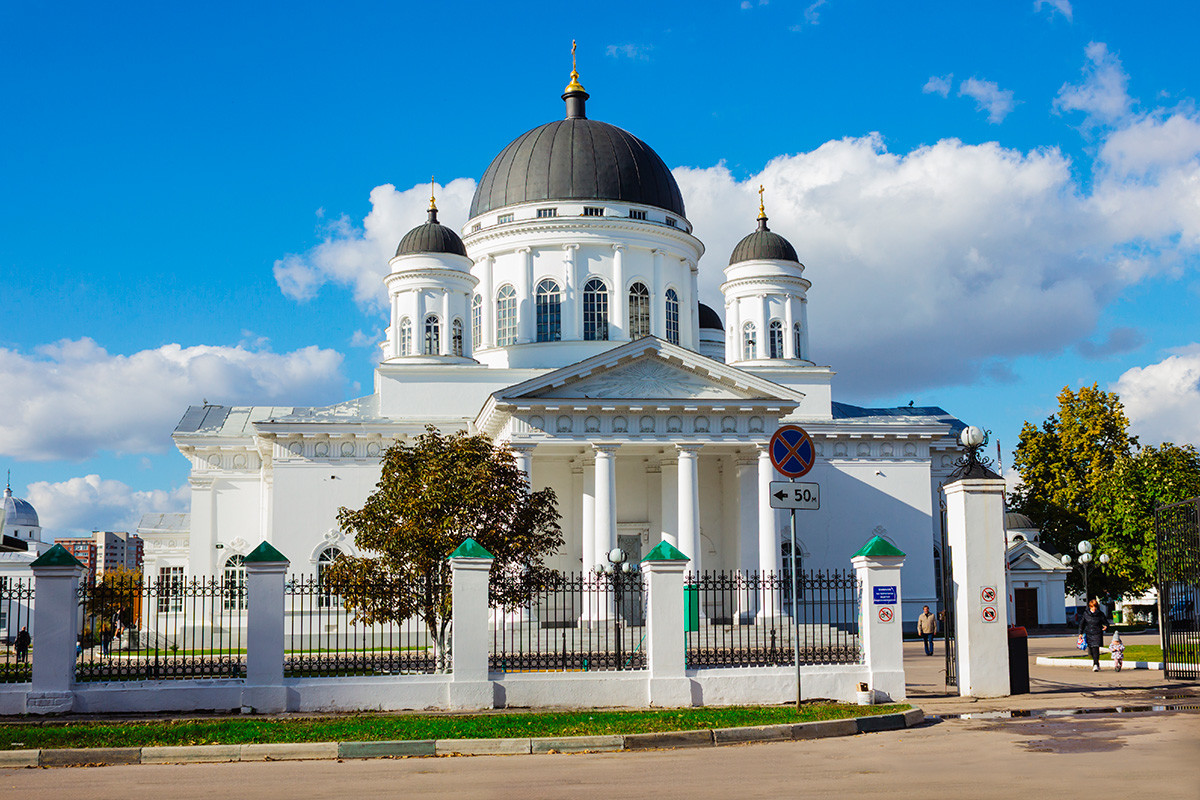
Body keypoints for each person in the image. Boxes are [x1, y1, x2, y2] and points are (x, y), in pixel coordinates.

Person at [1077, 598, 1110, 672]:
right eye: (1092, 607)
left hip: (1097, 633)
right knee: (1091, 649)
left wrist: (1106, 627)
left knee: (1095, 648)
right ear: (1090, 607)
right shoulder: (1086, 614)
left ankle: (1096, 664)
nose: (1094, 608)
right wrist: (1080, 633)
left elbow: (1106, 622)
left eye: (1095, 607)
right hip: (1089, 633)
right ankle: (1096, 663)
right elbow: (1082, 623)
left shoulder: (1100, 614)